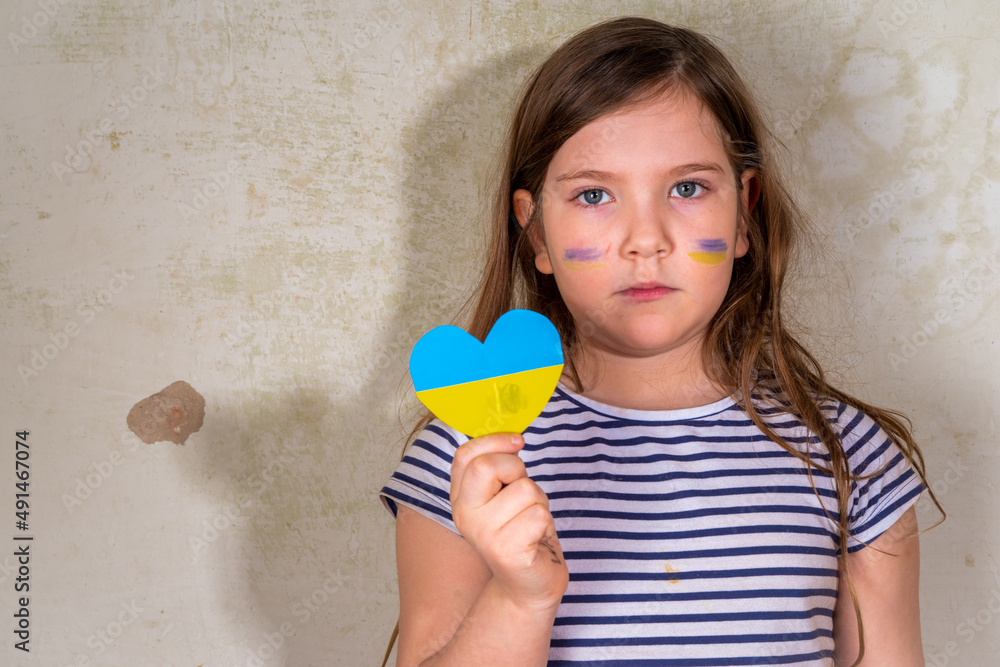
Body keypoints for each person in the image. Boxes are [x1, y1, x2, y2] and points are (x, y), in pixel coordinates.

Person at [379, 16, 942, 666]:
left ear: (743, 212)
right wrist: (520, 597)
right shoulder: (463, 453)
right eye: (594, 194)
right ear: (536, 234)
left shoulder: (851, 459)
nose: (646, 238)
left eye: (687, 187)